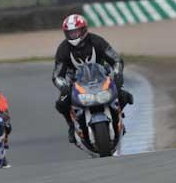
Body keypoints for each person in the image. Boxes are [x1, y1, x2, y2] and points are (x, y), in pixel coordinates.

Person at [52, 14, 134, 144]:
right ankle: (72, 126)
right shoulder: (63, 49)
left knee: (124, 95)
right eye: (70, 33)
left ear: (84, 30)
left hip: (102, 79)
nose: (73, 35)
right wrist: (63, 86)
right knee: (61, 103)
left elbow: (116, 60)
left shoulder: (96, 41)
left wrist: (117, 74)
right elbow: (57, 75)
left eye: (76, 32)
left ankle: (118, 118)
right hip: (76, 84)